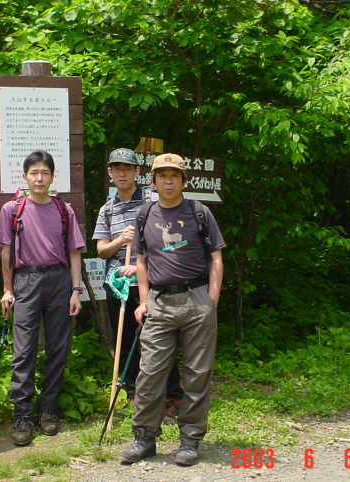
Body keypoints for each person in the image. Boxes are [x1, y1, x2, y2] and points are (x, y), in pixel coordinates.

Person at [118, 153, 225, 467]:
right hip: (160, 303)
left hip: (197, 299)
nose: (168, 181)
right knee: (150, 373)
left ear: (183, 181)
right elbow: (141, 261)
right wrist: (143, 301)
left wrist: (212, 301)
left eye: (174, 176)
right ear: (153, 181)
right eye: (162, 176)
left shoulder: (199, 212)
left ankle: (190, 440)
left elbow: (216, 258)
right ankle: (144, 439)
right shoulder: (144, 214)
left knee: (197, 374)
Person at [0, 150, 85, 446]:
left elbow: (74, 252)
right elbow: (6, 251)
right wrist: (8, 289)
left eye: (44, 173)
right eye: (33, 172)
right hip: (26, 280)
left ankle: (48, 410)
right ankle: (22, 414)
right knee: (24, 350)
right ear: (24, 176)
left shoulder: (64, 210)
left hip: (59, 279)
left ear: (52, 176)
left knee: (58, 348)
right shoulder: (12, 209)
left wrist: (75, 290)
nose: (39, 178)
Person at [92, 148, 183, 421]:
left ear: (137, 172)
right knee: (125, 339)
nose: (122, 173)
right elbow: (101, 251)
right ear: (110, 172)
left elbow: (169, 239)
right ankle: (133, 392)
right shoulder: (107, 208)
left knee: (159, 339)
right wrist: (121, 240)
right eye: (116, 168)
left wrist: (143, 259)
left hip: (150, 280)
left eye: (127, 168)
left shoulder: (153, 199)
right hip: (118, 283)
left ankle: (172, 395)